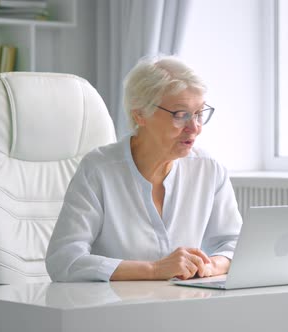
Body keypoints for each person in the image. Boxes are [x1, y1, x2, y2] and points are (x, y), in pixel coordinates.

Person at [45, 55, 242, 282]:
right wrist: (154, 270)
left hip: (185, 306)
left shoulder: (209, 169)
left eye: (199, 114)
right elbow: (64, 260)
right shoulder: (99, 170)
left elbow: (235, 243)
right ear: (140, 114)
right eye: (181, 115)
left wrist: (209, 266)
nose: (194, 128)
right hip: (114, 309)